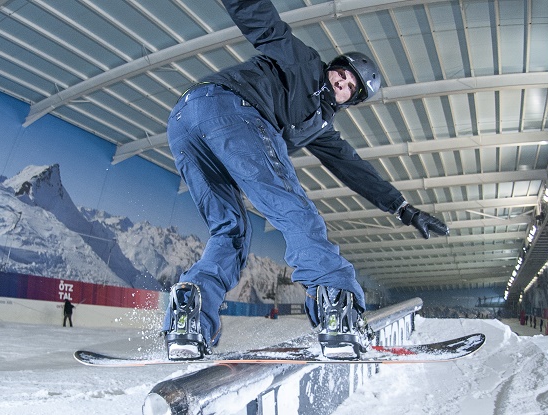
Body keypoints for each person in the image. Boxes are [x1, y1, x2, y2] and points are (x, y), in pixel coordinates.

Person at [162, 0, 448, 360]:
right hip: (230, 107)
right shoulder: (304, 62)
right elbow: (265, 26)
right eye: (340, 75)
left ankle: (190, 316)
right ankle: (336, 312)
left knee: (230, 230)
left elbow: (353, 167)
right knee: (296, 213)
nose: (339, 83)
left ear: (351, 99)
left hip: (185, 121)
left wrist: (403, 209)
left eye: (348, 87)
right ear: (332, 68)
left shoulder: (321, 128)